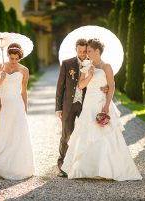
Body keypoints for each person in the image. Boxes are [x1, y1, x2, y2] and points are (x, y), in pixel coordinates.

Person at [61, 38, 142, 181]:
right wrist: (90, 75)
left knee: (106, 135)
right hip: (89, 104)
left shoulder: (107, 67)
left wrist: (106, 105)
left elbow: (112, 86)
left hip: (102, 102)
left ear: (97, 51)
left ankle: (107, 168)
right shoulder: (86, 66)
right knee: (86, 134)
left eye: (90, 51)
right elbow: (80, 86)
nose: (87, 54)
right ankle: (88, 169)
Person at [0, 43, 35, 180]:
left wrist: (25, 108)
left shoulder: (24, 70)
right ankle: (0, 164)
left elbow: (24, 91)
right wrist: (1, 79)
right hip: (1, 104)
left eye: (17, 59)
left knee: (16, 133)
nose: (14, 61)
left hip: (17, 105)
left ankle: (15, 165)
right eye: (12, 58)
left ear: (20, 57)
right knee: (1, 131)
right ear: (8, 56)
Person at [55, 39, 108, 177]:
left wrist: (106, 87)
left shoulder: (94, 64)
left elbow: (104, 79)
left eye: (85, 51)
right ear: (76, 50)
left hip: (86, 104)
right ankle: (62, 164)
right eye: (80, 51)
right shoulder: (67, 64)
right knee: (66, 134)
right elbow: (60, 87)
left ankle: (84, 164)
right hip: (69, 104)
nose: (83, 54)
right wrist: (58, 108)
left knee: (87, 133)